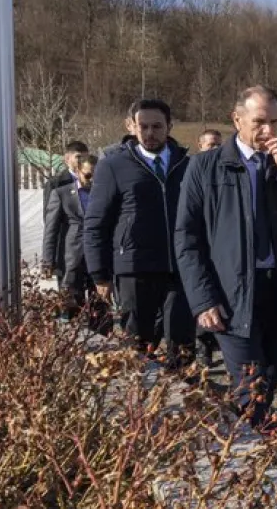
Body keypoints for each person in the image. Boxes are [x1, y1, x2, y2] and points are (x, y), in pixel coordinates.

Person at [175, 86, 277, 435]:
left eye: (274, 122)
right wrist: (202, 299)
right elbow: (187, 238)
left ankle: (248, 435)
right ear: (237, 119)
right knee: (250, 378)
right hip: (231, 292)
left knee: (271, 373)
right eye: (259, 122)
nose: (268, 131)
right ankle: (250, 454)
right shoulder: (205, 167)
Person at [83, 99, 195, 368]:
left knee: (182, 345)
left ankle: (189, 402)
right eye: (143, 126)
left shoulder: (187, 165)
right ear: (130, 126)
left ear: (169, 126)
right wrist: (99, 273)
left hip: (181, 268)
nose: (150, 133)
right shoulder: (114, 166)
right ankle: (140, 402)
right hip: (134, 268)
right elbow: (97, 222)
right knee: (138, 346)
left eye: (157, 126)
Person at [43, 155, 109, 330]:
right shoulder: (62, 194)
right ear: (78, 171)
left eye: (96, 175)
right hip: (72, 259)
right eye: (88, 175)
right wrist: (48, 260)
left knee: (101, 311)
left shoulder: (105, 193)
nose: (92, 180)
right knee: (72, 310)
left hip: (100, 259)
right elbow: (51, 230)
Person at [194, 129, 223, 367]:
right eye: (210, 145)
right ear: (200, 145)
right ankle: (203, 347)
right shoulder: (194, 170)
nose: (215, 150)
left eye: (218, 145)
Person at [43, 140, 90, 287]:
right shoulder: (56, 184)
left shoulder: (96, 183)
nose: (81, 162)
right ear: (67, 158)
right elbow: (50, 223)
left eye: (84, 158)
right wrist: (48, 260)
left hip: (92, 254)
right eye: (78, 157)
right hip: (67, 253)